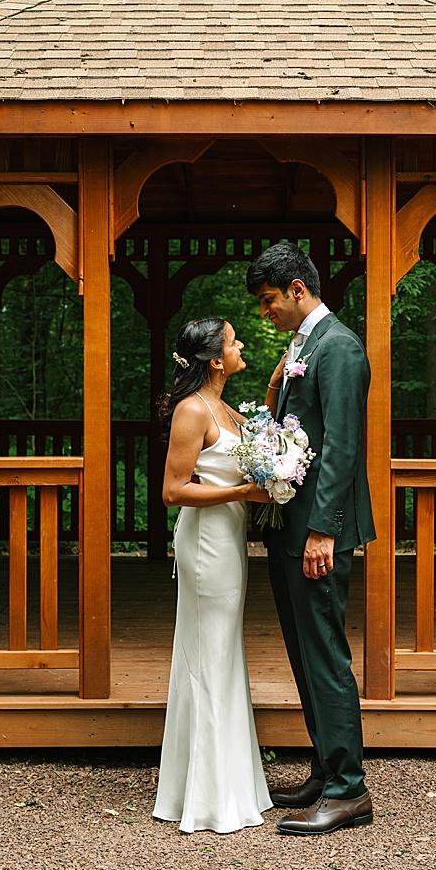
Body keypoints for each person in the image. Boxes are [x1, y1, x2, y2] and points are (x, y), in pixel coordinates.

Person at [246, 241, 377, 835]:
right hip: (291, 526)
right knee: (303, 651)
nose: (266, 312)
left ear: (298, 288)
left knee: (324, 652)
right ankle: (326, 770)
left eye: (270, 300)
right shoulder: (302, 347)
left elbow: (344, 447)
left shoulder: (340, 348)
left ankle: (350, 789)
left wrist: (325, 529)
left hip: (320, 530)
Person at [151, 317, 274, 834]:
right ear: (216, 360)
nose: (241, 342)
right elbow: (173, 491)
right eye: (232, 339)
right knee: (208, 652)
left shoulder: (225, 407)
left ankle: (231, 783)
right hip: (205, 541)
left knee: (223, 652)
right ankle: (205, 796)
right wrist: (242, 494)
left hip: (228, 539)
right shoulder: (191, 411)